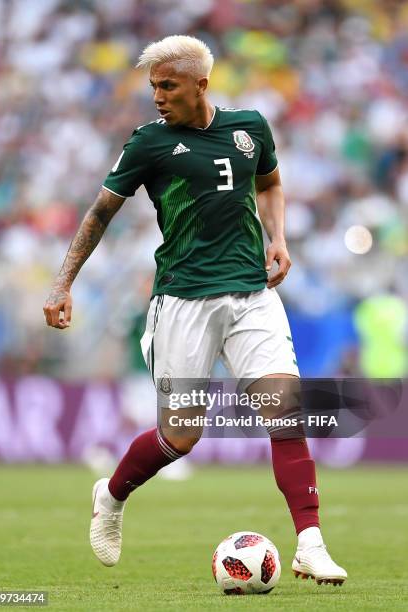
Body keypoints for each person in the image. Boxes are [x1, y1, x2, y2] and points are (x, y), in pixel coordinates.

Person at [43, 35, 347, 586]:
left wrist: (278, 237)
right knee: (181, 437)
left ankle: (310, 543)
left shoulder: (251, 126)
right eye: (153, 86)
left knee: (285, 410)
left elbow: (271, 182)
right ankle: (110, 496)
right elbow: (98, 214)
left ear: (201, 84)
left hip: (252, 294)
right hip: (184, 300)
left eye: (168, 85)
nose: (157, 96)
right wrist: (63, 283)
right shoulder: (149, 144)